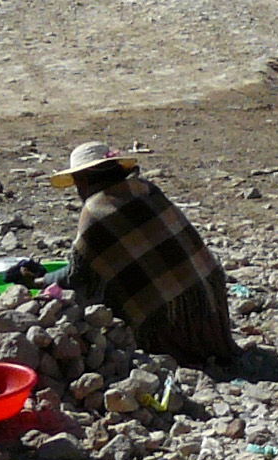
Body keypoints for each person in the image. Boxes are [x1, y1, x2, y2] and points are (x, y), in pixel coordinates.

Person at [51, 142, 239, 371]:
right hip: (208, 302)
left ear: (83, 179)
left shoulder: (96, 209)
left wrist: (39, 279)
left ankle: (174, 349)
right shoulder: (144, 189)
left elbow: (79, 276)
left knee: (100, 296)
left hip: (171, 316)